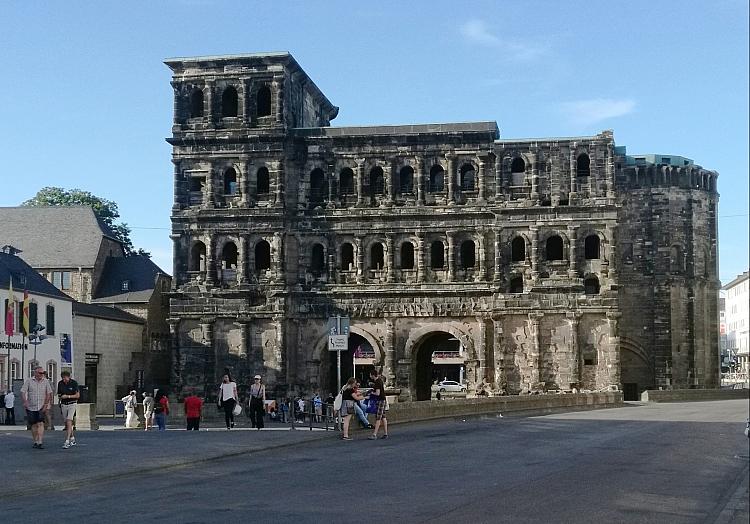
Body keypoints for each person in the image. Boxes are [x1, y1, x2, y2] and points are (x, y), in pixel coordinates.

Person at [20, 366, 53, 449]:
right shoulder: (29, 381)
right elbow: (23, 392)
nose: (42, 374)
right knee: (34, 425)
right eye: (40, 373)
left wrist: (46, 404)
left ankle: (40, 441)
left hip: (41, 406)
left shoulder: (46, 381)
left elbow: (49, 393)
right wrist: (25, 401)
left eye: (42, 373)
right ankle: (35, 440)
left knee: (41, 423)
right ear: (35, 373)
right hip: (31, 406)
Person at [57, 370, 80, 449]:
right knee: (67, 423)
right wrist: (60, 398)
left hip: (72, 403)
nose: (64, 380)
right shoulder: (60, 383)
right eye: (63, 378)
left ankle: (67, 441)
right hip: (63, 404)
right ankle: (72, 438)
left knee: (69, 420)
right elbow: (59, 394)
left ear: (69, 377)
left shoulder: (74, 383)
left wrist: (68, 396)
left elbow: (77, 395)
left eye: (65, 378)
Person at [367, 369, 388, 440]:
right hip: (383, 400)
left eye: (370, 375)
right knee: (383, 417)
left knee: (378, 417)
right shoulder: (379, 381)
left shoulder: (377, 382)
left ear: (372, 375)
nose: (370, 376)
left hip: (380, 401)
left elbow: (377, 393)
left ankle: (374, 434)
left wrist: (371, 393)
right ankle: (385, 433)